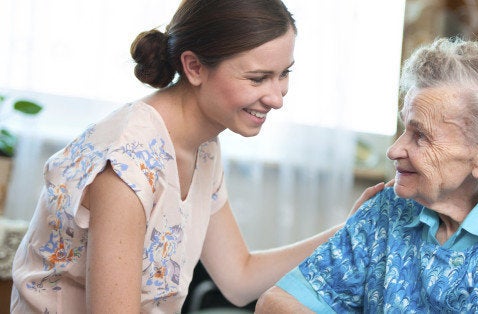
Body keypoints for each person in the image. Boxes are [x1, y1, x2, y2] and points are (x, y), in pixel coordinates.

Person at [10, 0, 385, 312]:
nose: (277, 97)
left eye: (283, 74)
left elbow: (239, 278)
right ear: (194, 67)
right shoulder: (127, 164)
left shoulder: (202, 145)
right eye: (257, 79)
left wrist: (349, 232)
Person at [256, 37, 478, 313]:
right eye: (404, 129)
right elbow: (275, 304)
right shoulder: (386, 211)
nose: (395, 150)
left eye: (420, 135)